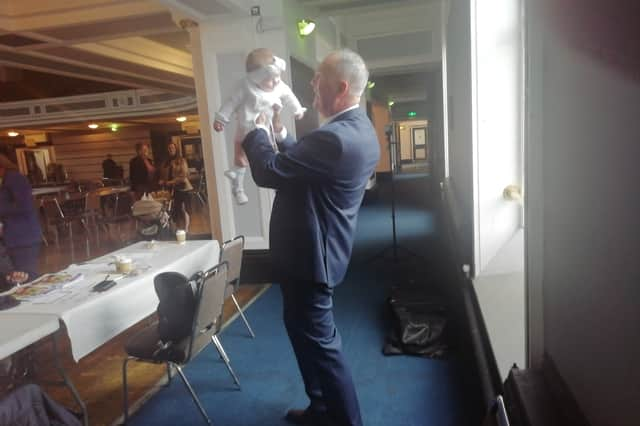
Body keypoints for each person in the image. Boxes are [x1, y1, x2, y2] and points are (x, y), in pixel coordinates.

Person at [242, 49, 380, 426]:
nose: (311, 85)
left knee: (324, 346)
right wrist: (282, 135)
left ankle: (347, 421)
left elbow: (269, 172)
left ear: (342, 85)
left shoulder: (335, 137)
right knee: (303, 335)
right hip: (307, 254)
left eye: (318, 78)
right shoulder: (356, 129)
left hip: (310, 259)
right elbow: (304, 165)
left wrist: (253, 131)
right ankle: (321, 406)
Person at [213, 47, 306, 205]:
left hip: (265, 128)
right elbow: (231, 102)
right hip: (247, 126)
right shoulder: (245, 86)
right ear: (256, 79)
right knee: (241, 156)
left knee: (253, 157)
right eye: (270, 79)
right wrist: (221, 118)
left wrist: (297, 109)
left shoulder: (278, 85)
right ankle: (238, 186)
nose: (276, 81)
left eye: (277, 77)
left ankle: (237, 180)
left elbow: (289, 95)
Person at [0, 154, 42, 281]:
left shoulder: (15, 178)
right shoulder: (5, 179)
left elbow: (25, 205)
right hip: (13, 237)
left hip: (23, 237)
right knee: (18, 277)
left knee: (26, 276)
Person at [158, 142, 193, 232]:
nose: (171, 149)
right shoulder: (166, 162)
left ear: (176, 149)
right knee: (175, 208)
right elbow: (164, 174)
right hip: (173, 188)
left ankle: (186, 229)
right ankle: (176, 228)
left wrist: (169, 182)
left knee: (184, 208)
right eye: (169, 148)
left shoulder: (181, 160)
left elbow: (183, 175)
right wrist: (163, 181)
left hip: (183, 187)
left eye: (172, 148)